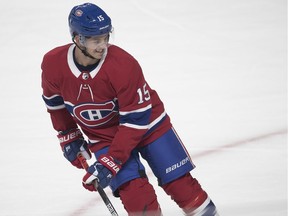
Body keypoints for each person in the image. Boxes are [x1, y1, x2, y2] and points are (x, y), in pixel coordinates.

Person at [41, 2, 218, 215]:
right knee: (136, 197)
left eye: (106, 37)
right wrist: (68, 135)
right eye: (96, 40)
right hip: (104, 137)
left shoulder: (123, 65)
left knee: (180, 185)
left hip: (149, 127)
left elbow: (135, 121)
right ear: (78, 39)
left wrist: (112, 161)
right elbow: (56, 104)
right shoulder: (53, 64)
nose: (102, 45)